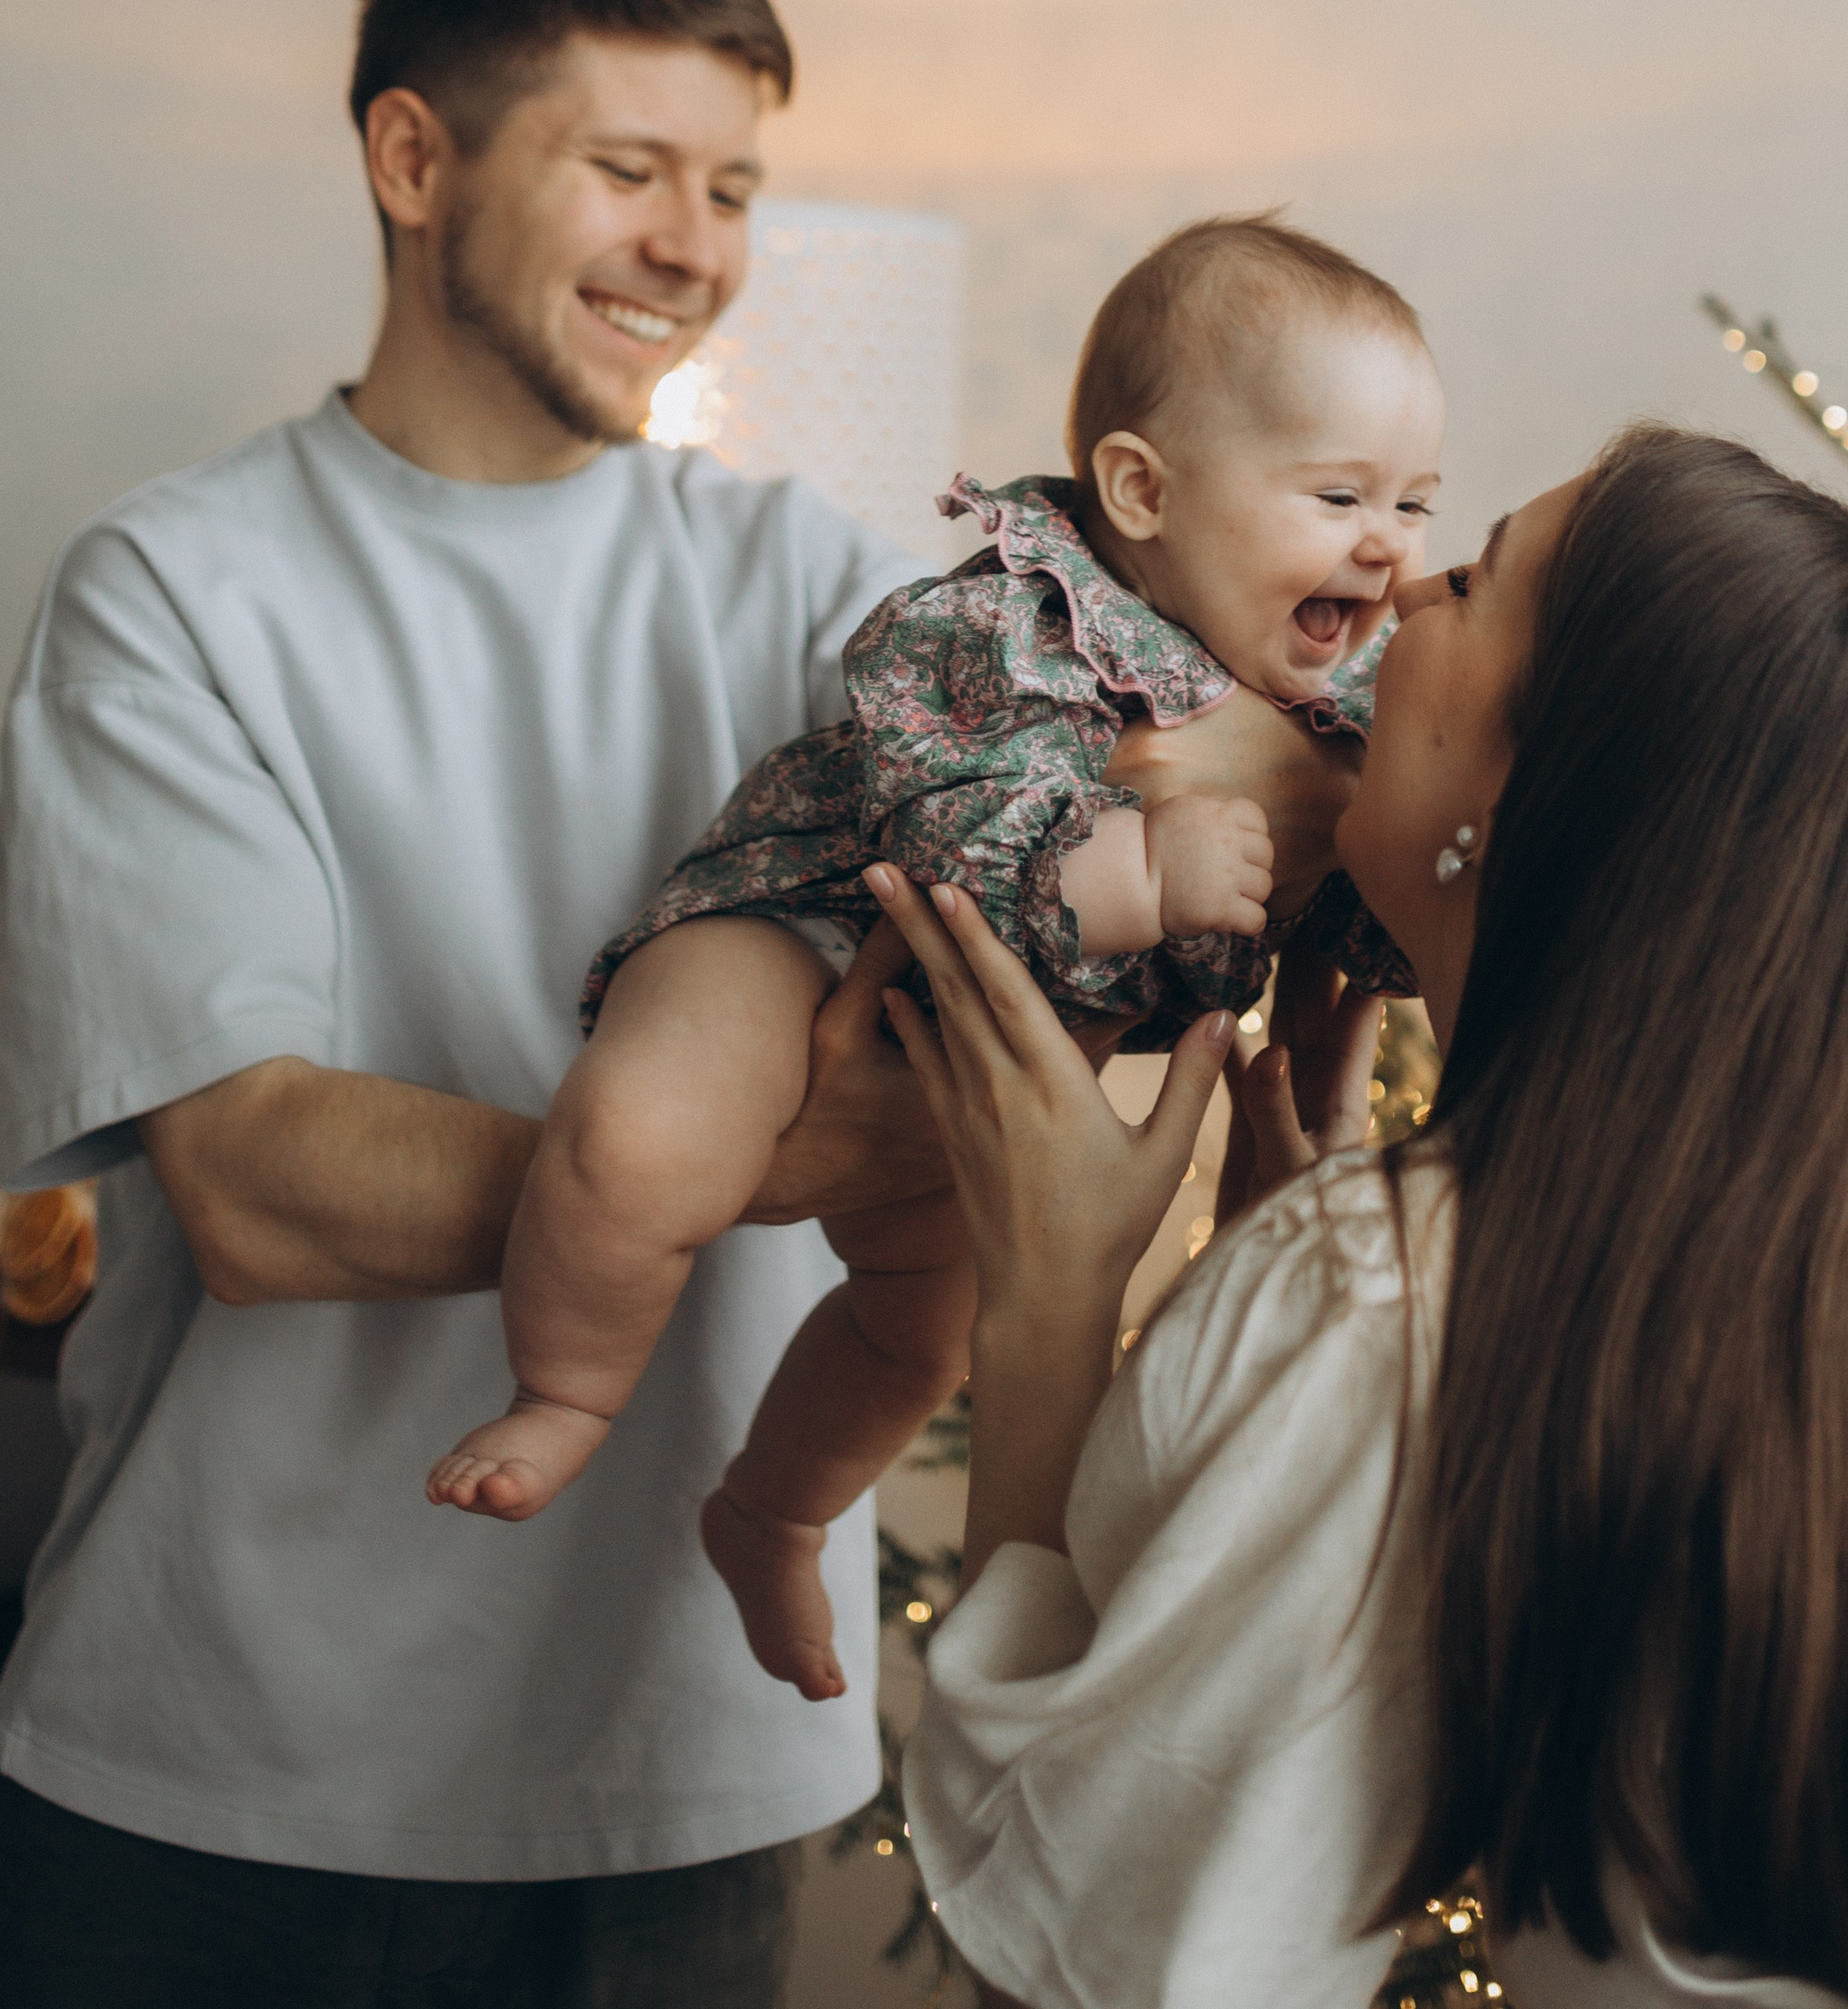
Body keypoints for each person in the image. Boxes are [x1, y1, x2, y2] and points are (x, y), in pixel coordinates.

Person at [0, 0, 966, 2009]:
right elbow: (250, 1185)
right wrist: (798, 1161)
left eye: (732, 186)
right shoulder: (171, 591)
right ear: (414, 161)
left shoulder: (800, 575)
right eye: (627, 168)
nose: (695, 246)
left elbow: (1055, 760)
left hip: (670, 1766)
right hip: (216, 1772)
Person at [884, 425, 1848, 2009]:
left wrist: (1046, 1305)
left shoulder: (1415, 1294)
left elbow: (1098, 1955)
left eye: (1470, 575)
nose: (1395, 587)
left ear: (1519, 792)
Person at [429, 218, 1436, 1712]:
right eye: (1340, 493)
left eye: (1416, 503)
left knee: (931, 1326)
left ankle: (773, 1506)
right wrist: (1134, 874)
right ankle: (566, 1386)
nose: (1389, 545)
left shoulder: (1335, 705)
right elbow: (943, 809)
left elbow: (1354, 904)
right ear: (1143, 490)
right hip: (809, 928)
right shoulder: (1014, 621)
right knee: (645, 1134)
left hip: (966, 1064)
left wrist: (1399, 899)